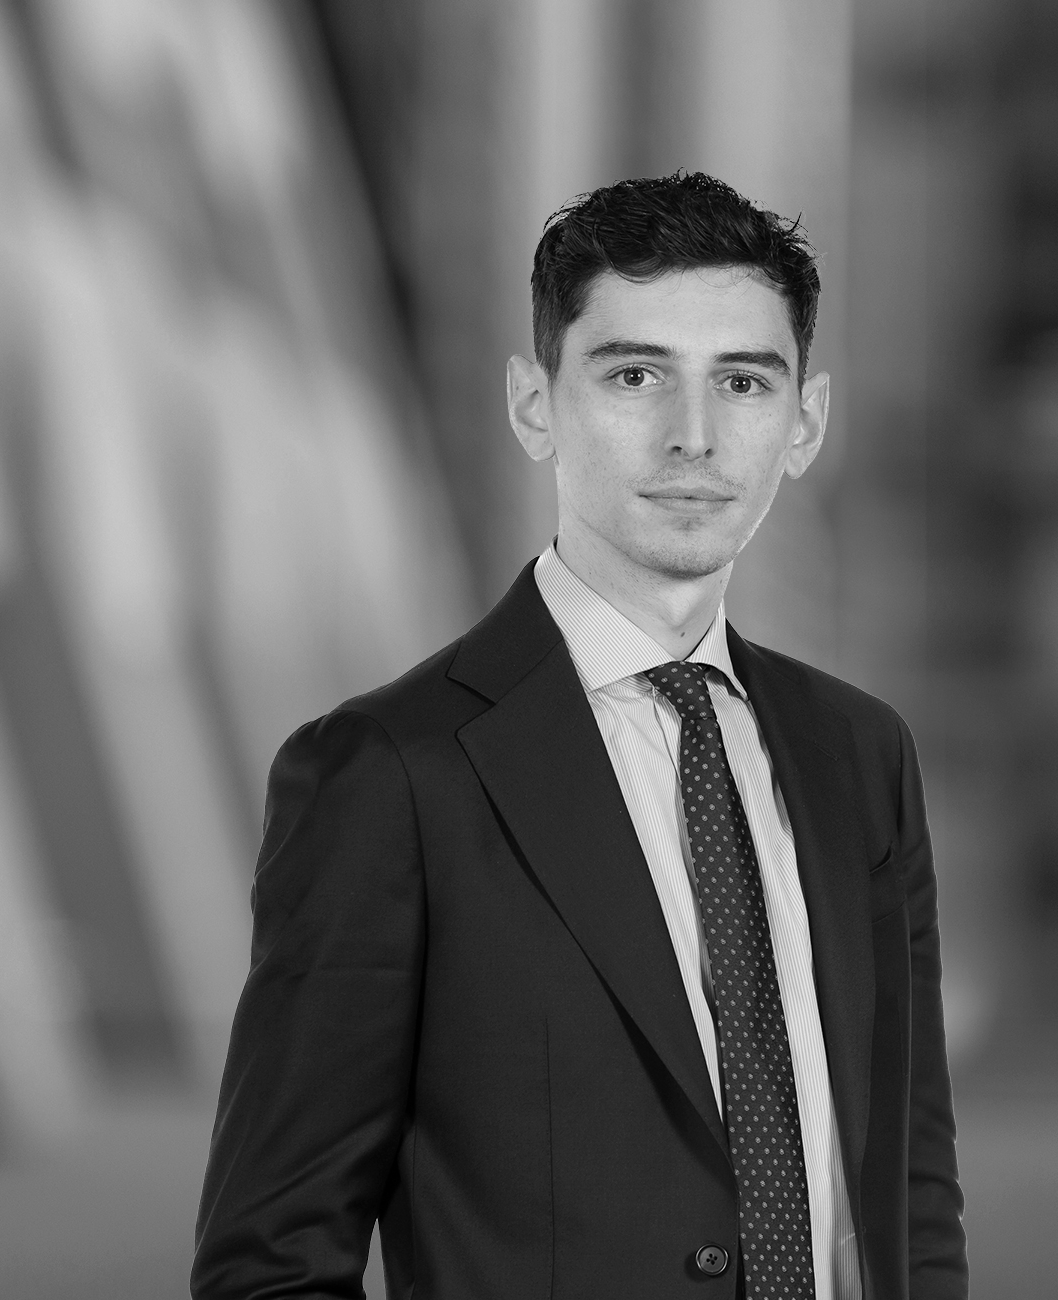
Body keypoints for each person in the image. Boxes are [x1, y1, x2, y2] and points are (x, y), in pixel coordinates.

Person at [191, 172, 967, 1300]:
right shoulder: (388, 773)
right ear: (533, 406)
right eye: (634, 375)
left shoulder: (858, 753)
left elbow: (909, 1179)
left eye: (742, 382)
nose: (693, 437)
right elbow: (272, 1258)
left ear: (803, 423)